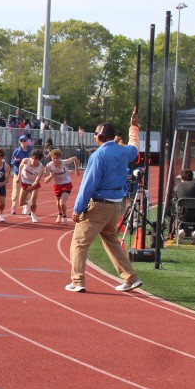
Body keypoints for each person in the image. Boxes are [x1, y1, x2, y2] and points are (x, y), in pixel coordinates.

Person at [66, 108, 142, 293]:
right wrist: (134, 127)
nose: (93, 137)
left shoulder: (98, 155)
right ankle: (130, 277)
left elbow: (88, 184)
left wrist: (78, 208)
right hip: (115, 206)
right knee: (111, 240)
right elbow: (135, 147)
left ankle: (78, 281)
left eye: (95, 134)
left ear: (100, 136)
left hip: (98, 205)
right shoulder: (123, 152)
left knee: (79, 243)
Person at [44, 148, 81, 224]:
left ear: (59, 158)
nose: (55, 160)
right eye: (54, 158)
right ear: (51, 158)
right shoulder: (49, 166)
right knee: (58, 202)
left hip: (66, 184)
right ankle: (60, 214)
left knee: (62, 202)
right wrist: (52, 175)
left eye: (57, 158)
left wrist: (76, 169)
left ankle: (64, 216)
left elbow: (75, 158)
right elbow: (46, 180)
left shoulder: (65, 162)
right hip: (57, 185)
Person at [17, 149, 45, 224]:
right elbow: (20, 166)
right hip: (25, 182)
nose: (33, 160)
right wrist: (19, 176)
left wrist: (31, 187)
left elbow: (37, 181)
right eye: (32, 158)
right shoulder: (25, 160)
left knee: (33, 201)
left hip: (34, 184)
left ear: (39, 159)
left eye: (35, 159)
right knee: (21, 203)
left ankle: (33, 214)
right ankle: (27, 204)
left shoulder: (41, 168)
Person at [9, 135, 32, 215]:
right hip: (18, 173)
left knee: (27, 192)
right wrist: (16, 161)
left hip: (28, 174)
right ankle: (13, 207)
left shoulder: (31, 150)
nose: (23, 142)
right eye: (21, 141)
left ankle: (26, 208)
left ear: (27, 141)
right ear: (19, 142)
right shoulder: (17, 151)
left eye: (24, 141)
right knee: (16, 191)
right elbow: (12, 162)